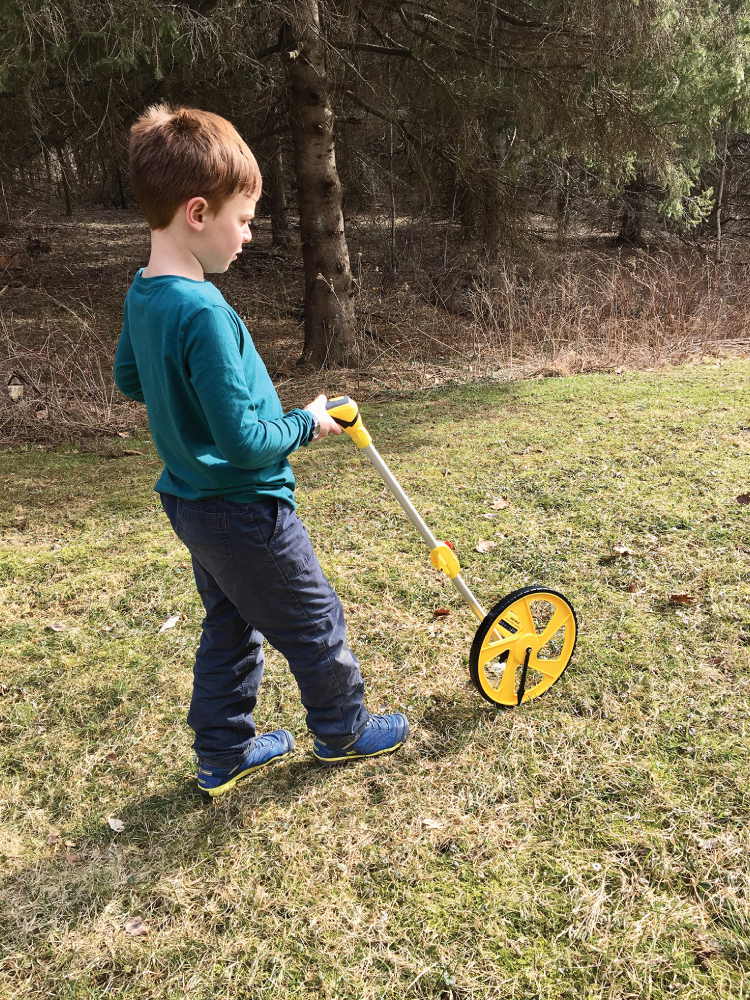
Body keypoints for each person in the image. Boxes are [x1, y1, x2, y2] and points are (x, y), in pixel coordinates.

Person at [114, 105, 408, 797]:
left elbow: (132, 376)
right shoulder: (203, 312)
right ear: (196, 212)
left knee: (232, 624)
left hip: (188, 501)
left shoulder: (146, 294)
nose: (248, 235)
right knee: (314, 619)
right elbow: (247, 444)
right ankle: (342, 729)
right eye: (242, 220)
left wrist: (181, 407)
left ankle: (223, 754)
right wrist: (306, 423)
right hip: (246, 509)